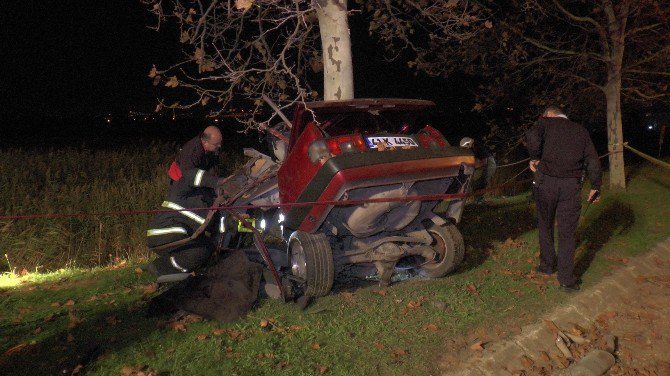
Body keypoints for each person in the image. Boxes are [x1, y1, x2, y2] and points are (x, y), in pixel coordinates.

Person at [526, 105, 601, 292]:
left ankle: (548, 266)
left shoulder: (546, 122)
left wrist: (535, 157)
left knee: (545, 224)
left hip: (546, 183)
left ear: (549, 114)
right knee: (567, 233)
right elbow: (592, 159)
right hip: (571, 186)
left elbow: (532, 137)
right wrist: (595, 186)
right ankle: (566, 280)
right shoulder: (581, 130)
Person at [147, 167, 222, 282]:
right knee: (200, 252)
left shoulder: (210, 206)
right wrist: (219, 182)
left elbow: (217, 230)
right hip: (164, 231)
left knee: (206, 249)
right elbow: (190, 175)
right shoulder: (185, 191)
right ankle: (160, 267)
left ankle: (176, 267)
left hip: (179, 236)